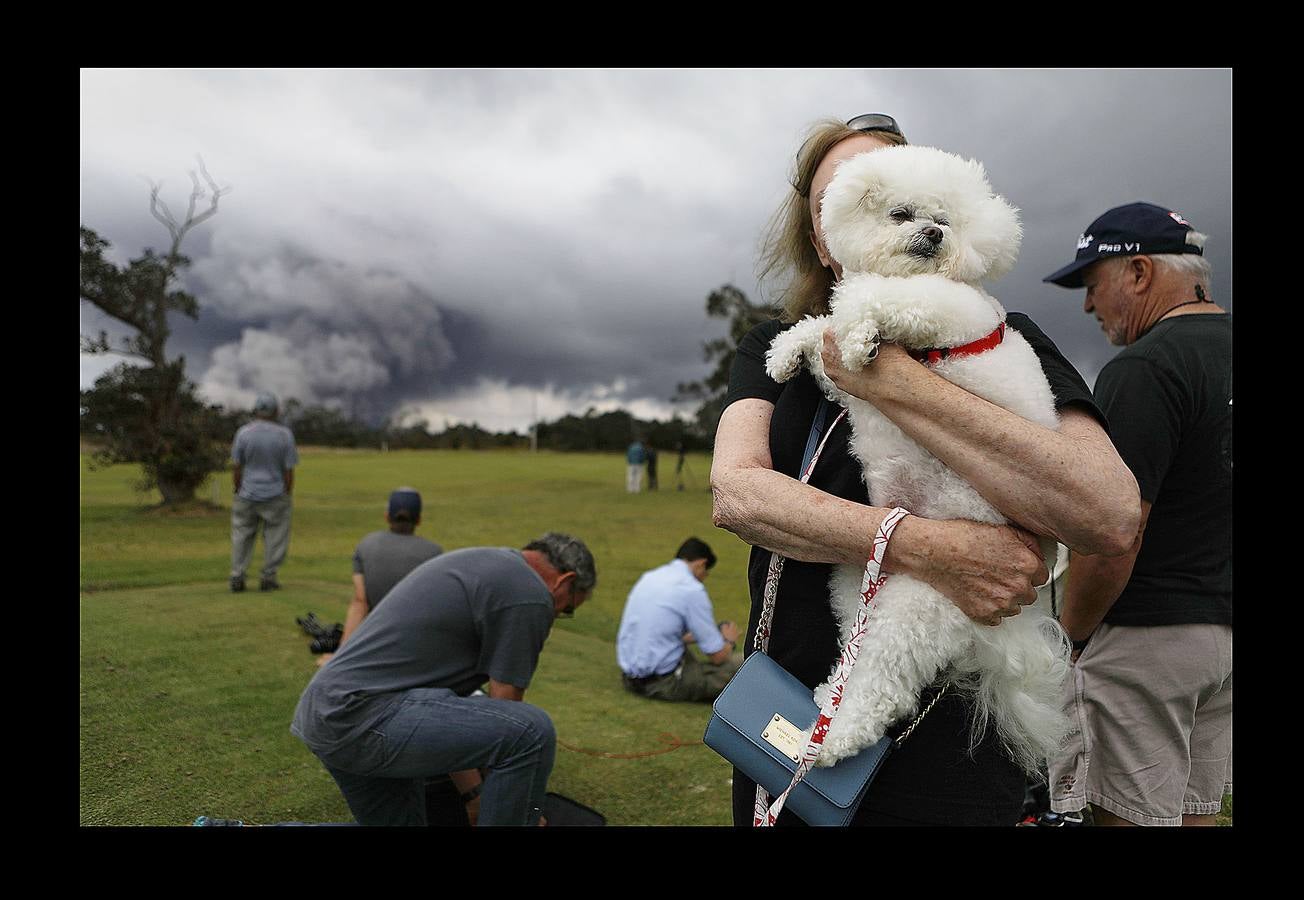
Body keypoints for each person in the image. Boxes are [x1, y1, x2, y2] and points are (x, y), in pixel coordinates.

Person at [710, 113, 1140, 827]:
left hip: (956, 758)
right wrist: (928, 549)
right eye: (835, 195)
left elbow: (1109, 511)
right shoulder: (770, 346)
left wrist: (887, 379)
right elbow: (738, 494)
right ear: (822, 233)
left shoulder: (1005, 331)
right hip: (787, 723)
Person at [1042, 202, 1232, 827]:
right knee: (1194, 815)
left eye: (1093, 285)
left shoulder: (1146, 367)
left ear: (1141, 273)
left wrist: (1069, 634)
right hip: (1225, 642)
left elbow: (1115, 531)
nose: (1089, 307)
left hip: (1146, 641)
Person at [290, 532, 596, 826]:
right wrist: (521, 811)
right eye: (566, 609)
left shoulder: (486, 564)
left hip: (326, 715)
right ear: (564, 580)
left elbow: (450, 707)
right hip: (365, 714)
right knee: (532, 731)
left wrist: (476, 797)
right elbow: (508, 714)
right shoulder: (529, 593)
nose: (556, 616)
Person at [316, 487, 445, 667]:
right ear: (419, 519)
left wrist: (340, 656)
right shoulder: (434, 552)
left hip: (376, 642)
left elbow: (360, 602)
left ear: (386, 516)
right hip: (417, 646)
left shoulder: (367, 544)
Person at [617, 538, 741, 702]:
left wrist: (698, 636)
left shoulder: (650, 577)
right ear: (701, 564)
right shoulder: (692, 590)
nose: (704, 578)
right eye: (706, 572)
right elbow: (718, 657)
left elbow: (659, 630)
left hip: (630, 678)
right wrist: (729, 641)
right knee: (743, 666)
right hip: (664, 683)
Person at [230, 392, 298, 592]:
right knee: (275, 537)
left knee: (241, 536)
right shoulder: (284, 435)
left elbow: (237, 466)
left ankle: (237, 575)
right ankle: (268, 576)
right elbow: (288, 470)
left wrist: (237, 488)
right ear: (275, 411)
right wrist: (287, 493)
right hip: (275, 493)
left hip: (247, 492)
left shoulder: (243, 433)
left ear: (256, 410)